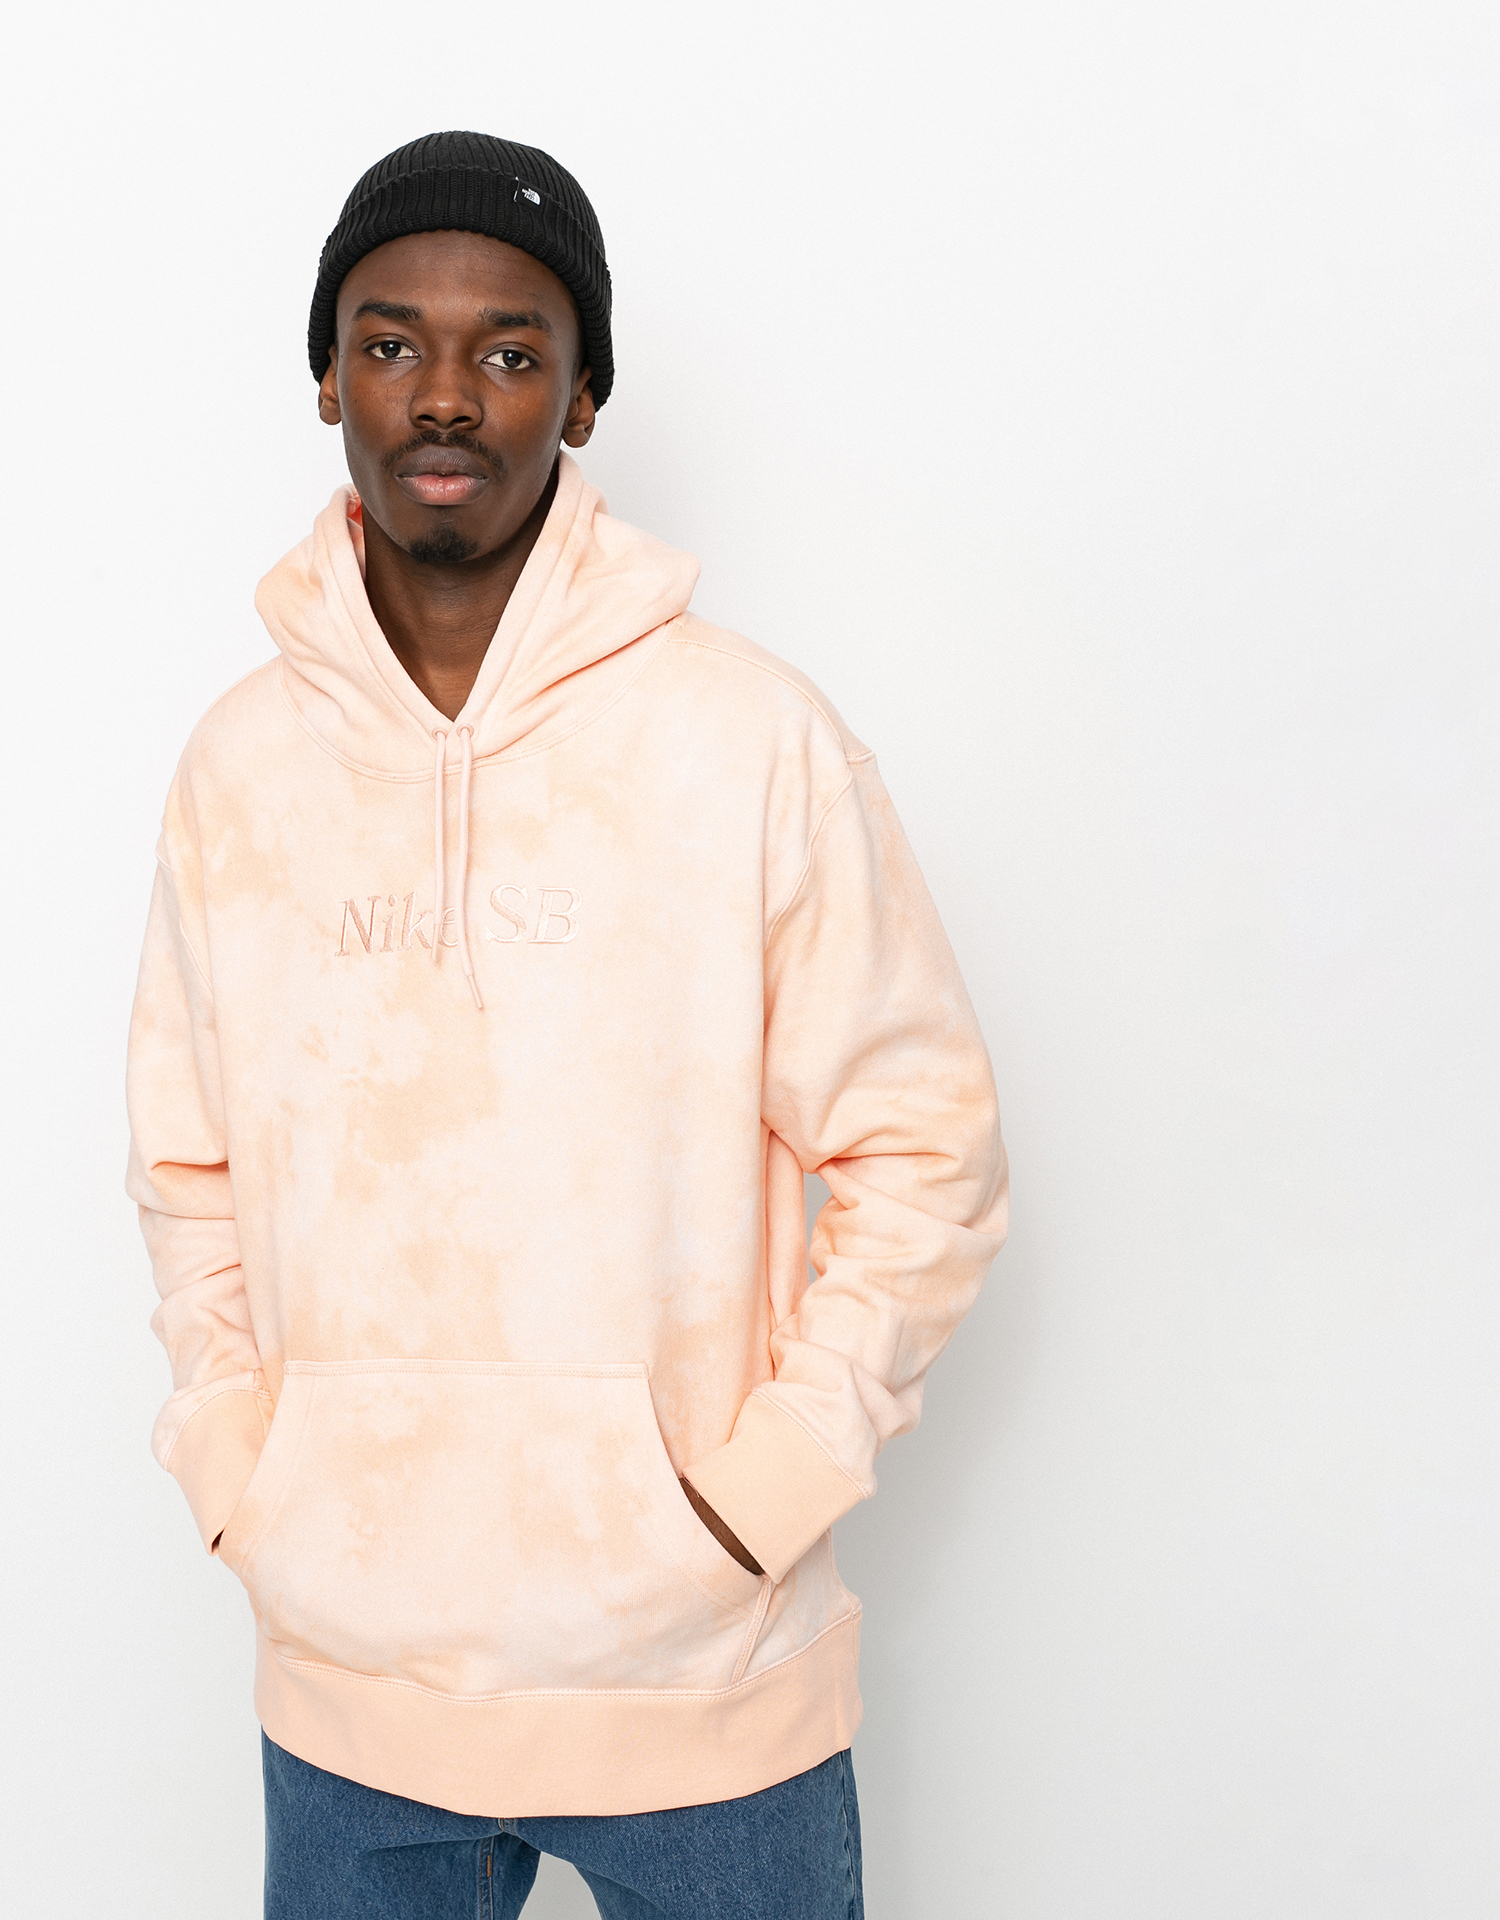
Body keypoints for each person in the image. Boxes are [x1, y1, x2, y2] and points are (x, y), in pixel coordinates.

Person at [126, 130, 1008, 1920]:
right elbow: (184, 1162)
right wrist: (242, 1470)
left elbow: (925, 1153)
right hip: (351, 1692)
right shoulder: (240, 770)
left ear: (584, 397)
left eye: (511, 350)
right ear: (327, 378)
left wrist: (760, 1492)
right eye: (391, 342)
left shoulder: (748, 740)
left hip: (704, 1697)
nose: (445, 395)